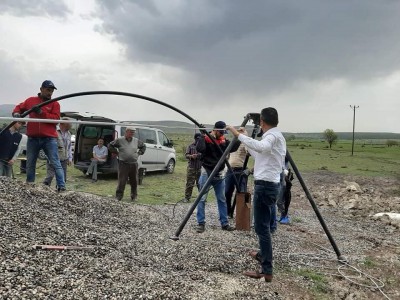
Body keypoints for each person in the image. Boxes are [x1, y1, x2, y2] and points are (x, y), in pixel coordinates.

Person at [226, 107, 286, 283]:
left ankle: (266, 270)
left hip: (266, 186)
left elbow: (261, 146)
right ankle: (262, 254)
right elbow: (258, 151)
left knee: (261, 228)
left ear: (262, 121)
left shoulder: (272, 137)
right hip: (268, 185)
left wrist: (238, 134)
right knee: (264, 225)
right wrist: (247, 139)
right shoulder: (275, 136)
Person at [12, 80, 66, 192]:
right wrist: (16, 113)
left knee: (55, 162)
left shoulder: (55, 104)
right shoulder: (31, 101)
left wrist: (42, 113)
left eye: (51, 91)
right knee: (30, 163)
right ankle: (30, 185)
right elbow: (19, 107)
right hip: (33, 138)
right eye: (48, 90)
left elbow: (56, 120)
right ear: (41, 89)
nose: (50, 93)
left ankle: (61, 186)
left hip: (49, 138)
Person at [195, 121, 240, 233]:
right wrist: (202, 134)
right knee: (202, 198)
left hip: (219, 174)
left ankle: (224, 223)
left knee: (222, 199)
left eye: (224, 132)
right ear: (215, 130)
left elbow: (234, 147)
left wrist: (237, 134)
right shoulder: (206, 139)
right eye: (221, 132)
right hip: (207, 172)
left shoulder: (224, 141)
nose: (223, 134)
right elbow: (200, 149)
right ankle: (201, 223)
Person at [108, 127, 146, 201]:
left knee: (134, 181)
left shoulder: (136, 140)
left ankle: (134, 196)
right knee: (122, 181)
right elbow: (110, 145)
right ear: (126, 132)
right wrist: (116, 152)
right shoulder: (120, 140)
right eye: (131, 132)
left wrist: (139, 153)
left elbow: (143, 146)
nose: (132, 133)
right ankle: (119, 196)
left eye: (133, 132)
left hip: (133, 164)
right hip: (123, 164)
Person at [224, 129, 249, 218]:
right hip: (230, 170)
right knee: (227, 192)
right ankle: (228, 212)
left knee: (241, 193)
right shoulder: (233, 144)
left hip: (240, 170)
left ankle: (241, 215)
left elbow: (248, 152)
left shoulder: (245, 144)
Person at [43, 118, 72, 186]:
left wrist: (70, 158)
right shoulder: (54, 131)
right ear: (64, 124)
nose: (71, 125)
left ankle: (60, 191)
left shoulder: (69, 134)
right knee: (50, 176)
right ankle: (44, 189)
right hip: (54, 158)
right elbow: (49, 145)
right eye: (69, 123)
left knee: (62, 178)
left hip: (64, 159)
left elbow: (69, 147)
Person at [183, 133, 202, 202]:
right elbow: (186, 155)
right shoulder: (190, 146)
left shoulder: (202, 147)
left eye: (199, 139)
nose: (198, 141)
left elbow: (204, 155)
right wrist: (191, 156)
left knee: (200, 183)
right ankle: (187, 198)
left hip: (200, 168)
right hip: (191, 168)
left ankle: (201, 198)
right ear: (195, 138)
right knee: (190, 183)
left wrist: (198, 155)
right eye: (197, 139)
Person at [277, 156, 294, 224]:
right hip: (279, 182)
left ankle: (285, 216)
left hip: (284, 184)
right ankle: (283, 216)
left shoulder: (284, 163)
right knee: (279, 201)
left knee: (280, 201)